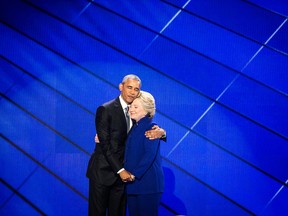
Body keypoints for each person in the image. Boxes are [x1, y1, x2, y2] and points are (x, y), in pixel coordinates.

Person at [86, 74, 166, 216]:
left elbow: (148, 128)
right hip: (103, 172)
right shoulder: (106, 109)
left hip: (125, 178)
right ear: (121, 87)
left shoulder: (136, 113)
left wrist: (162, 133)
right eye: (129, 87)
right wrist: (120, 170)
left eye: (136, 89)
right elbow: (105, 145)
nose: (132, 92)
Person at [124, 90, 164, 216]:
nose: (131, 109)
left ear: (147, 110)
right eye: (131, 106)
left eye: (136, 106)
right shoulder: (133, 128)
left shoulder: (152, 128)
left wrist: (133, 175)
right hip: (133, 185)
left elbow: (149, 155)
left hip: (148, 185)